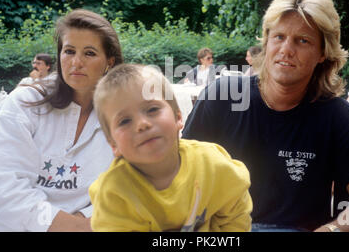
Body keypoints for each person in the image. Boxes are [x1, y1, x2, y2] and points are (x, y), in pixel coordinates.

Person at [182, 0, 349, 232]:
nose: (286, 50)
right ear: (267, 41)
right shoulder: (221, 97)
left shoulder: (339, 119)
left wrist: (329, 230)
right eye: (279, 36)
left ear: (323, 52)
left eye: (302, 41)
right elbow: (181, 173)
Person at [0, 9, 123, 231]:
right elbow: (3, 190)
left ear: (109, 62)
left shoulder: (122, 117)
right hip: (0, 224)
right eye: (69, 51)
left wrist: (86, 218)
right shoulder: (24, 103)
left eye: (89, 53)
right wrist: (73, 227)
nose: (76, 62)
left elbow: (125, 185)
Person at [89, 64, 252, 231]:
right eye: (124, 121)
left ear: (178, 117)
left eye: (152, 109)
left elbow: (236, 212)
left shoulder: (212, 163)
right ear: (113, 144)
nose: (142, 124)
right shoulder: (113, 194)